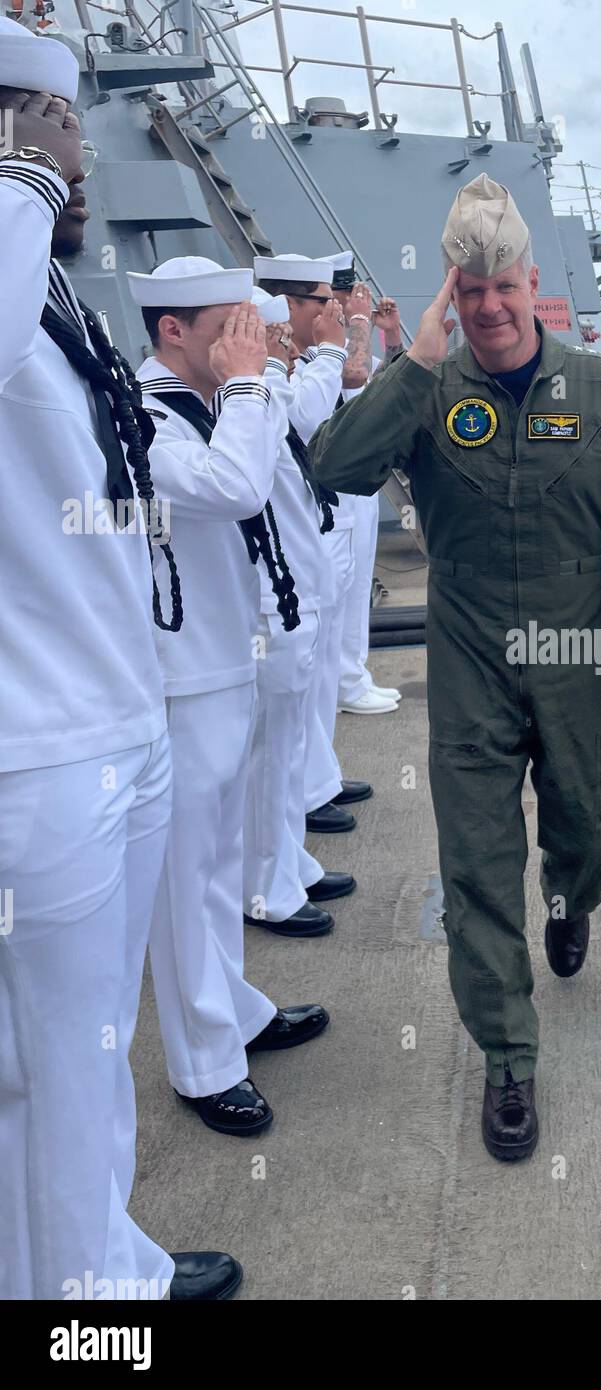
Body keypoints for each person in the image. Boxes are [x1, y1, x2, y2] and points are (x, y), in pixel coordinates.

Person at [311, 173, 601, 1162]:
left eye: (501, 286)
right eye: (466, 292)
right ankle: (508, 1058)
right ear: (451, 295)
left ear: (531, 283)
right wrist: (413, 364)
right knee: (474, 871)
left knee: (592, 831)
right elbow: (330, 470)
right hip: (468, 662)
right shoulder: (430, 387)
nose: (487, 306)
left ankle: (574, 897)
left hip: (577, 658)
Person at [0, 20, 238, 1298]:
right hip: (42, 756)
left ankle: (100, 1268)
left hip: (112, 719)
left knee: (70, 1062)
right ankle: (81, 1313)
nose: (71, 166)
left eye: (71, 142)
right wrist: (20, 178)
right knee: (50, 1064)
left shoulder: (43, 299)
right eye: (44, 135)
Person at [128, 257, 329, 1134]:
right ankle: (203, 1064)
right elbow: (233, 487)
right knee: (183, 878)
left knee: (212, 866)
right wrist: (251, 384)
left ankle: (233, 1011)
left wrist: (258, 374)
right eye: (229, 327)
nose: (247, 342)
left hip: (225, 662)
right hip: (178, 676)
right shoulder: (140, 417)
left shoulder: (215, 399)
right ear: (173, 332)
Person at [240, 286, 355, 938]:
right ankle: (267, 887)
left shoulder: (263, 391)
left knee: (282, 754)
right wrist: (328, 352)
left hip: (290, 596)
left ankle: (285, 863)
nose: (288, 348)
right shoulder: (245, 401)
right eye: (278, 338)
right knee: (265, 759)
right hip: (263, 607)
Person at [254, 251, 377, 835]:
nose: (331, 308)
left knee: (321, 665)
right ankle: (303, 789)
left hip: (318, 530)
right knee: (300, 675)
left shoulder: (294, 360)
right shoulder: (272, 366)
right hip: (291, 549)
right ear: (287, 305)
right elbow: (306, 420)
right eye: (319, 300)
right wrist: (337, 342)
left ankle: (317, 775)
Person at [330, 259, 403, 714]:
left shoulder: (343, 345)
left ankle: (353, 677)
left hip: (358, 492)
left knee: (356, 590)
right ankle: (343, 683)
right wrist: (358, 323)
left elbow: (386, 381)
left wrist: (390, 334)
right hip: (331, 494)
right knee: (336, 595)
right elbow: (354, 378)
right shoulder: (318, 351)